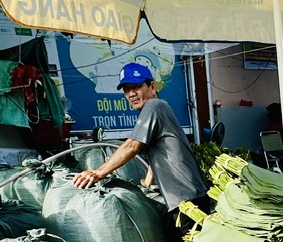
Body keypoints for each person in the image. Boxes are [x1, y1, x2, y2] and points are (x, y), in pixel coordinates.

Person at [71, 63, 208, 213]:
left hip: (187, 202)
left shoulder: (153, 106)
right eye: (127, 90)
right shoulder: (160, 108)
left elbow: (132, 145)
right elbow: (158, 154)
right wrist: (147, 183)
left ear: (152, 87)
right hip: (189, 198)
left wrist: (98, 173)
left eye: (136, 86)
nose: (131, 94)